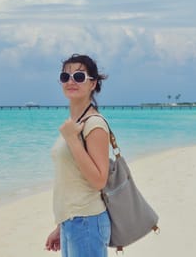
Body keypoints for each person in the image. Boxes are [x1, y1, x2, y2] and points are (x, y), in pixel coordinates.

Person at [45, 54, 111, 257]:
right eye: (65, 77)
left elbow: (99, 180)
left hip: (86, 221)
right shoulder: (75, 123)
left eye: (79, 76)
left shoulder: (94, 124)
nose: (71, 81)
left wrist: (72, 140)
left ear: (93, 84)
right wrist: (62, 225)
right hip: (73, 221)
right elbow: (72, 179)